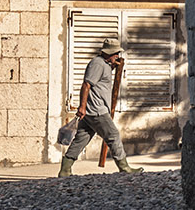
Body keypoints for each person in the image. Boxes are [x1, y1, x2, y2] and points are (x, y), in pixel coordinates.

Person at [58, 37, 143, 176]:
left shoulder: (105, 64)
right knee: (113, 136)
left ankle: (65, 169)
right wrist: (82, 107)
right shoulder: (97, 64)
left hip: (92, 111)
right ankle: (124, 167)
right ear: (109, 53)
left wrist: (113, 67)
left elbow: (101, 79)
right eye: (116, 53)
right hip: (97, 110)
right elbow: (86, 85)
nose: (118, 56)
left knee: (81, 139)